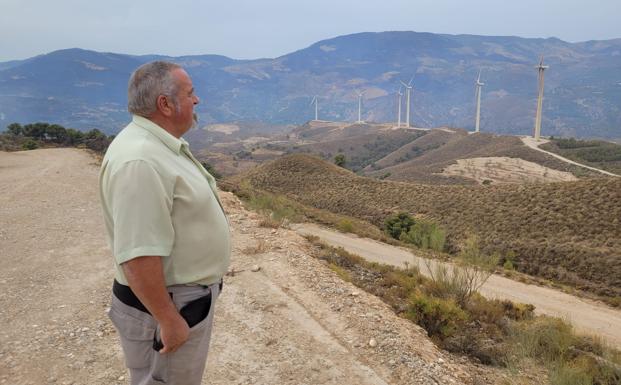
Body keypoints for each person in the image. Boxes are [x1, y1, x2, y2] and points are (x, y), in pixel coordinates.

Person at [99, 61, 231, 385]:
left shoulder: (157, 146)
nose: (197, 100)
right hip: (171, 306)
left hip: (182, 302)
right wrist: (168, 319)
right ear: (165, 104)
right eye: (190, 93)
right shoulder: (141, 161)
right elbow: (138, 254)